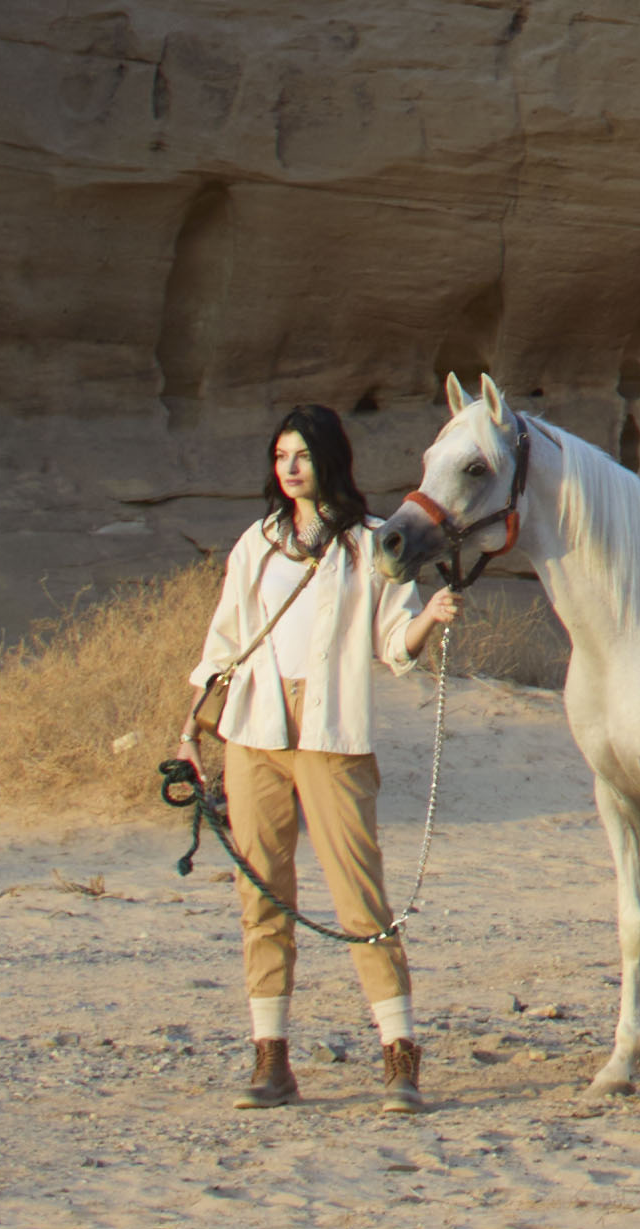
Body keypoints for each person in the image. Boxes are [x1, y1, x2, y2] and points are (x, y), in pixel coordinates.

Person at [171, 403, 456, 1108]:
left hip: (333, 735)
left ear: (329, 458)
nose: (290, 468)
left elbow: (393, 646)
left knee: (361, 899)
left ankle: (399, 1056)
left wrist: (426, 621)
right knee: (261, 893)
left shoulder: (371, 543)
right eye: (280, 457)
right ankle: (271, 1060)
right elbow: (224, 645)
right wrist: (190, 733)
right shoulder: (258, 543)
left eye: (301, 455)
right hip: (254, 734)